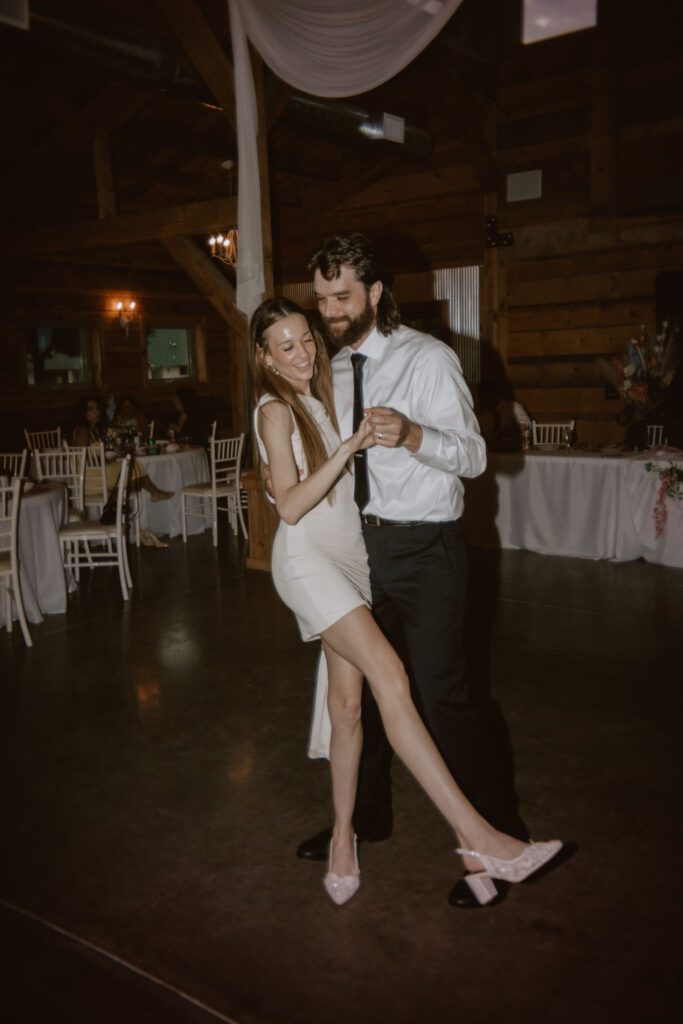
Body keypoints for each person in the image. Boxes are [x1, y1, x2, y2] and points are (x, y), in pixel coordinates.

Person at [250, 296, 562, 907]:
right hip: (310, 562)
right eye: (286, 346)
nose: (304, 352)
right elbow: (287, 506)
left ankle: (345, 837)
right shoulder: (274, 409)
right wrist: (348, 448)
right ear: (263, 356)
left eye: (307, 338)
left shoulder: (322, 390)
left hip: (352, 558)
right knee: (392, 678)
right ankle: (480, 840)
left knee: (347, 708)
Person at [297, 233, 528, 909]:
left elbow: (477, 458)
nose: (329, 312)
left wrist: (414, 436)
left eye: (341, 297)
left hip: (425, 553)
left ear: (374, 291)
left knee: (442, 696)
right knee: (361, 698)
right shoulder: (331, 372)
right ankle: (367, 819)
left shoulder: (427, 359)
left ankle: (497, 839)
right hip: (355, 552)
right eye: (320, 299)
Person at [71, 395, 173, 504]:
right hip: (89, 480)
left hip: (97, 475)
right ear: (83, 413)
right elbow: (85, 460)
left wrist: (109, 459)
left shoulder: (93, 430)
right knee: (133, 467)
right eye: (91, 409)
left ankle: (116, 493)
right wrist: (107, 461)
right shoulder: (82, 432)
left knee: (132, 470)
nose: (96, 411)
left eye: (97, 408)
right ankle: (153, 493)